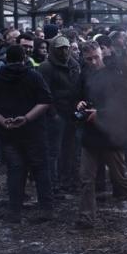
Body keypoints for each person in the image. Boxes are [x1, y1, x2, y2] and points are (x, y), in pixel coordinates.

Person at [74, 42, 127, 228]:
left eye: (96, 57)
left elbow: (126, 106)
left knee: (120, 176)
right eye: (89, 59)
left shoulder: (115, 75)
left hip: (111, 133)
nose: (93, 61)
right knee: (86, 178)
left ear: (101, 54)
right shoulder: (85, 74)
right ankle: (86, 217)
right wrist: (80, 103)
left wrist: (100, 114)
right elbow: (78, 95)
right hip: (91, 134)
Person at [0, 45, 53, 223]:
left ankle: (14, 211)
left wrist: (2, 120)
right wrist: (26, 118)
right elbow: (46, 101)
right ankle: (46, 209)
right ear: (24, 58)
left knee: (15, 170)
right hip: (34, 132)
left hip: (8, 133)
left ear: (7, 59)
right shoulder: (34, 76)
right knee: (41, 169)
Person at [38, 35, 81, 193]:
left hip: (72, 113)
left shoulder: (74, 64)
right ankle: (53, 184)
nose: (64, 51)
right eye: (60, 49)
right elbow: (44, 92)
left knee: (71, 149)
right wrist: (53, 114)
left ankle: (68, 180)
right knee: (54, 151)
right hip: (56, 115)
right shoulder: (46, 67)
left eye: (66, 48)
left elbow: (78, 87)